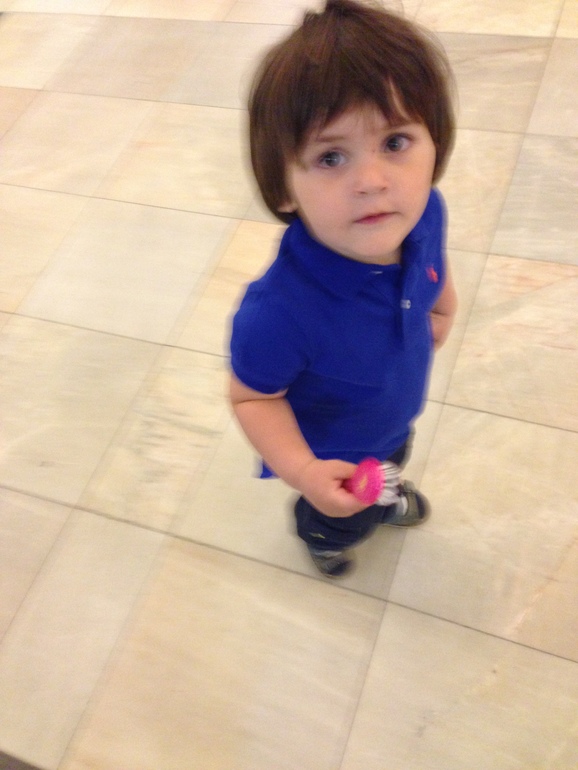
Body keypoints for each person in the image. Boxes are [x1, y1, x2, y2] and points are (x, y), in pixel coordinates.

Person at [229, 0, 458, 577]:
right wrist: (306, 473)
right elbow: (253, 398)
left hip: (392, 420)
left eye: (396, 142)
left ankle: (386, 493)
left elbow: (433, 258)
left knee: (395, 457)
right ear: (283, 187)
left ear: (435, 145)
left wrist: (441, 306)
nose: (373, 181)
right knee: (342, 516)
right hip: (334, 455)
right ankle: (324, 538)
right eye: (331, 156)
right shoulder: (278, 313)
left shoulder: (423, 212)